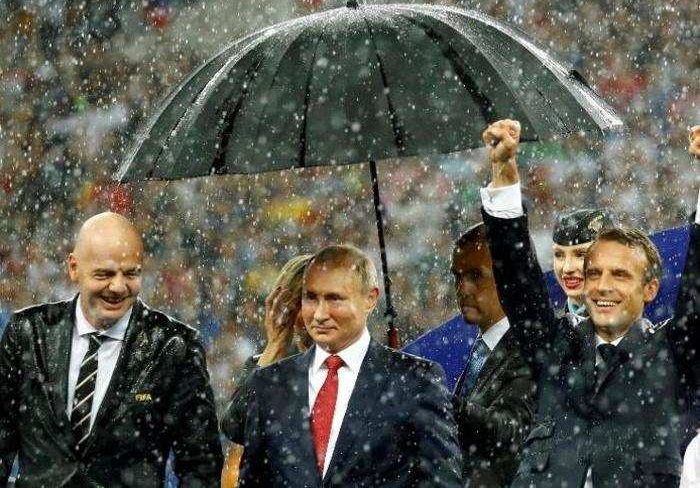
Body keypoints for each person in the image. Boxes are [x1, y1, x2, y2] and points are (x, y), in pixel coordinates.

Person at [478, 119, 700, 486]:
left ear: (651, 289)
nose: (601, 286)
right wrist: (503, 174)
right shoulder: (555, 346)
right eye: (594, 273)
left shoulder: (673, 351)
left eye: (620, 275)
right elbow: (520, 287)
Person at [0, 212, 223, 486]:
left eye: (131, 273)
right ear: (73, 267)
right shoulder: (28, 333)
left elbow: (201, 466)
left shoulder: (174, 346)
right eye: (104, 274)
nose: (118, 287)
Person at [231, 244, 463, 487]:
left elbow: (441, 479)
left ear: (370, 299)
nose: (319, 314)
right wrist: (275, 346)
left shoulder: (413, 378)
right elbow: (237, 431)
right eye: (310, 298)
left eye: (334, 299)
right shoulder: (271, 379)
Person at [451, 223, 536, 487]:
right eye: (457, 276)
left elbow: (509, 432)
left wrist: (441, 403)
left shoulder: (532, 348)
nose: (462, 289)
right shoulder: (481, 350)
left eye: (476, 276)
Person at [221, 254, 313, 487]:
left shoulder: (346, 366)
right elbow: (234, 426)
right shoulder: (269, 367)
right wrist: (274, 347)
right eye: (299, 304)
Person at [551, 208, 619, 325]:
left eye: (581, 255)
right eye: (559, 255)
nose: (567, 268)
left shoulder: (642, 332)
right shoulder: (551, 331)